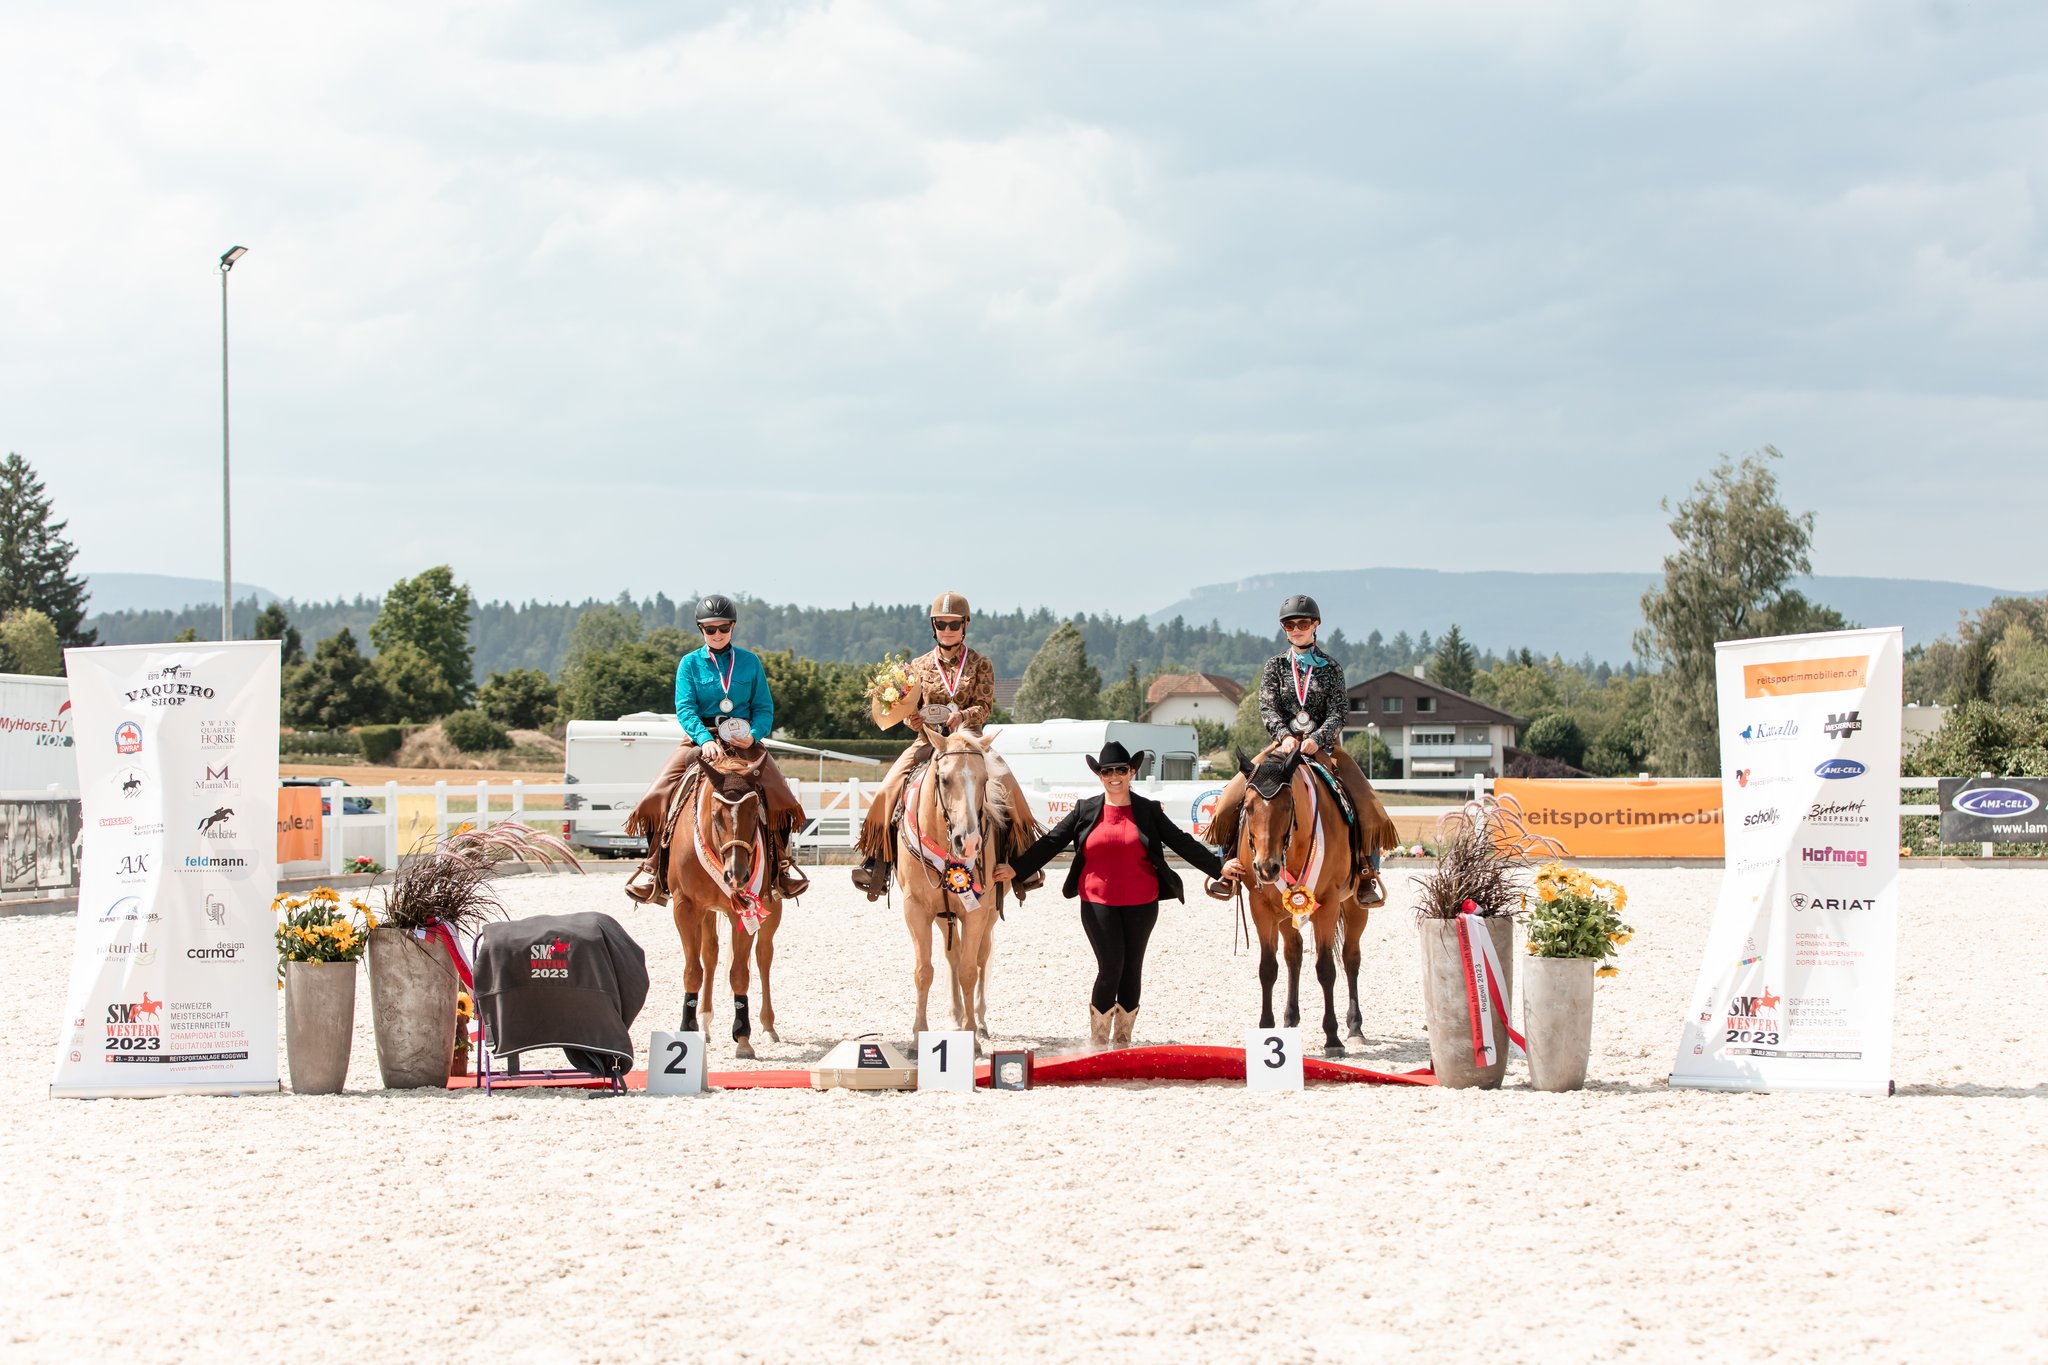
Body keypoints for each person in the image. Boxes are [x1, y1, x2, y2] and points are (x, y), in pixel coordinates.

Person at [995, 741, 1245, 1049]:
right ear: (1099, 775)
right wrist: (1017, 869)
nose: (1115, 776)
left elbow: (1181, 842)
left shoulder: (1147, 810)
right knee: (1111, 966)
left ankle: (1122, 1041)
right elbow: (1052, 842)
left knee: (1132, 969)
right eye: (1107, 771)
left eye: (1121, 770)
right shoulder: (1085, 810)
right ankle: (1099, 1042)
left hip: (1142, 902)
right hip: (1097, 901)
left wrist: (1220, 866)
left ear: (1132, 772)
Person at [852, 591, 1041, 899]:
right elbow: (909, 708)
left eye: (954, 624)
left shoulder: (981, 664)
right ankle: (878, 863)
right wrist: (911, 720)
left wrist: (960, 716)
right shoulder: (918, 665)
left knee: (1010, 787)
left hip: (970, 741)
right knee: (887, 789)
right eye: (942, 624)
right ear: (934, 626)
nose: (948, 630)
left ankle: (1024, 862)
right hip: (929, 741)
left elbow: (984, 706)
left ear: (965, 626)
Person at [1205, 593, 1388, 906]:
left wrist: (1318, 736)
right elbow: (1267, 706)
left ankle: (1366, 870)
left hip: (1324, 747)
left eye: (1303, 623)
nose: (1296, 628)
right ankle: (1229, 868)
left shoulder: (1332, 668)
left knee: (1368, 805)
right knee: (1230, 800)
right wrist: (1283, 734)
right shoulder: (1275, 666)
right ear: (1284, 629)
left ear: (1315, 625)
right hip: (1282, 745)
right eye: (1290, 624)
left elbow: (1339, 711)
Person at [623, 594, 807, 904]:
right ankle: (653, 867)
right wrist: (704, 740)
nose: (718, 634)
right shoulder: (689, 663)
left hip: (743, 739)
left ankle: (783, 868)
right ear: (701, 630)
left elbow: (763, 707)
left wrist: (754, 733)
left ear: (732, 627)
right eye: (710, 629)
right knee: (656, 795)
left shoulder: (750, 662)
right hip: (701, 738)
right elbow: (684, 708)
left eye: (723, 627)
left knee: (782, 796)